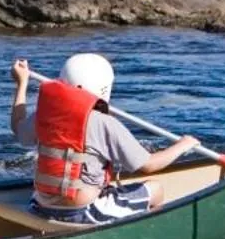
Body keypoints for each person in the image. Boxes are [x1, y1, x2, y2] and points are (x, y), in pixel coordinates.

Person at [10, 53, 200, 224]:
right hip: (84, 212)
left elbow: (18, 127)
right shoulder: (104, 123)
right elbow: (149, 165)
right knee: (155, 189)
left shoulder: (44, 115)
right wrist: (183, 145)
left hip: (40, 206)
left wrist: (22, 84)